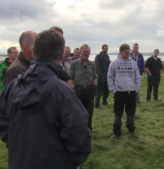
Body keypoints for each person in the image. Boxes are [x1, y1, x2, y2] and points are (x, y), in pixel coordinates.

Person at [0, 30, 91, 169]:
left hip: (20, 161)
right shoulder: (63, 91)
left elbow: (3, 122)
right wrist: (70, 160)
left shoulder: (12, 87)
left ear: (34, 52)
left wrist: (16, 144)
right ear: (61, 56)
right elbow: (79, 134)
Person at [107, 44, 141, 138]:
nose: (128, 53)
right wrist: (113, 90)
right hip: (119, 93)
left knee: (131, 114)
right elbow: (110, 77)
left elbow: (137, 77)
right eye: (126, 51)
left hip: (131, 92)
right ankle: (116, 132)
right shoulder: (114, 63)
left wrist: (136, 89)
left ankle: (131, 130)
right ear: (121, 51)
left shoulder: (133, 63)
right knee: (118, 114)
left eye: (129, 51)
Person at [68, 44, 97, 131]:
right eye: (84, 51)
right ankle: (78, 130)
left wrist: (94, 89)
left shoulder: (92, 64)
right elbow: (69, 78)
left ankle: (88, 130)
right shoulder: (74, 64)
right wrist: (74, 89)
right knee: (78, 113)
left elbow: (94, 77)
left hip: (89, 91)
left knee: (89, 113)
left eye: (88, 52)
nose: (86, 53)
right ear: (80, 52)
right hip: (78, 91)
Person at [95, 44, 110, 108]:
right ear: (102, 49)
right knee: (99, 90)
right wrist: (99, 74)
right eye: (105, 48)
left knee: (107, 89)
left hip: (107, 75)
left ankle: (104, 101)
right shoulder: (98, 56)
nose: (106, 49)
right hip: (101, 75)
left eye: (107, 48)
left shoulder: (107, 56)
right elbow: (97, 66)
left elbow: (109, 65)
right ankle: (97, 104)